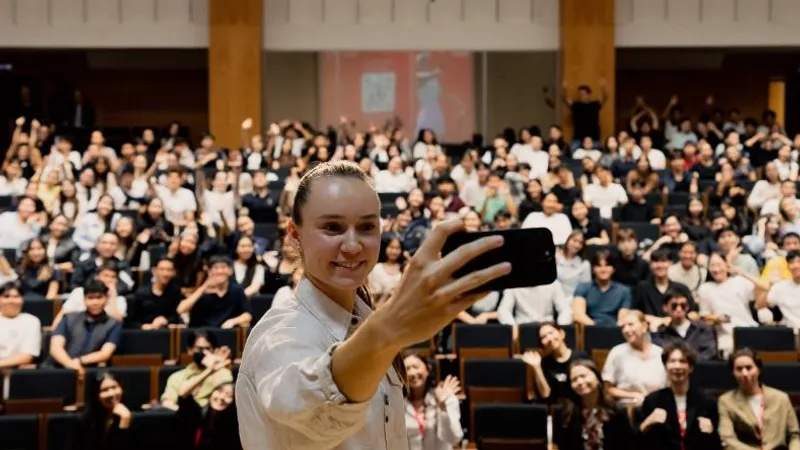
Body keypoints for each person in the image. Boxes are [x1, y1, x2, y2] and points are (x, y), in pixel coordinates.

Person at [236, 161, 511, 449]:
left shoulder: (364, 319)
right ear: (295, 236)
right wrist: (389, 327)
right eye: (332, 227)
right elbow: (315, 409)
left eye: (367, 227)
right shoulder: (278, 333)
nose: (352, 245)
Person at [637, 341, 721, 450]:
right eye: (672, 361)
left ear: (691, 367)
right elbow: (637, 441)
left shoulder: (707, 402)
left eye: (683, 361)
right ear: (665, 366)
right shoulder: (653, 401)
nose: (677, 366)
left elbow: (718, 444)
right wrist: (647, 423)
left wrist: (711, 432)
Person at [718, 348, 800, 449]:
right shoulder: (726, 401)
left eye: (749, 368)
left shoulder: (781, 398)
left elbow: (795, 435)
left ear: (758, 369)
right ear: (733, 373)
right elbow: (727, 439)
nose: (744, 373)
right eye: (739, 369)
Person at [552, 359, 634, 450]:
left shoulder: (616, 410)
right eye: (574, 379)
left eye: (583, 376)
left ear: (597, 378)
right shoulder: (566, 413)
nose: (580, 382)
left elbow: (626, 443)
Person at [519, 322, 591, 403]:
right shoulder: (544, 363)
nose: (549, 338)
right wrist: (537, 368)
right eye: (543, 337)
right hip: (555, 407)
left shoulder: (582, 357)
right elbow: (546, 396)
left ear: (562, 334)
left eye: (551, 333)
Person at [403, 354, 463, 449]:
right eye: (407, 369)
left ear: (428, 369)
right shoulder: (398, 404)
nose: (412, 373)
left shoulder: (446, 397)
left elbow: (454, 439)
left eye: (416, 367)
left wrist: (442, 406)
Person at [66, 372, 135, 450]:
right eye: (105, 390)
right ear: (95, 395)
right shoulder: (82, 422)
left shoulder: (130, 419)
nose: (111, 393)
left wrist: (124, 422)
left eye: (114, 387)